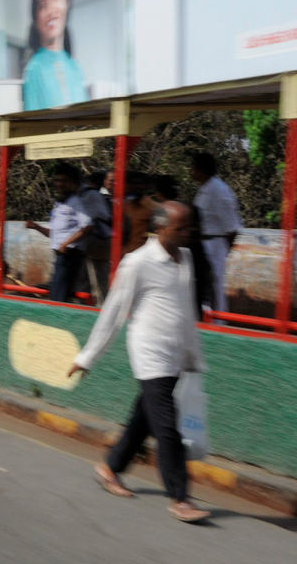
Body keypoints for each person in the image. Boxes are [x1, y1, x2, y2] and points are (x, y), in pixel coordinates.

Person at [68, 202, 211, 524]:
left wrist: (191, 355)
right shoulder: (138, 262)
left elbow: (186, 311)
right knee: (167, 427)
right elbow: (114, 313)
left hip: (174, 355)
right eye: (181, 228)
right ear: (160, 227)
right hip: (149, 352)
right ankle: (180, 498)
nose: (188, 234)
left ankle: (110, 468)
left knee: (143, 418)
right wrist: (87, 357)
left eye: (190, 228)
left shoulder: (184, 257)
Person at [22, 0, 89, 112]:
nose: (51, 10)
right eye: (42, 4)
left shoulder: (75, 67)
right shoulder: (34, 70)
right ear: (36, 18)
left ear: (68, 1)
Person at [25, 162, 92, 302]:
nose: (59, 184)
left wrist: (66, 244)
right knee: (56, 294)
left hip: (70, 256)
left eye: (64, 181)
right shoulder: (60, 204)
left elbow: (88, 226)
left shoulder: (76, 202)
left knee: (59, 297)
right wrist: (37, 227)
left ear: (73, 183)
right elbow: (55, 235)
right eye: (57, 180)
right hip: (61, 256)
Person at [153, 175, 213, 319]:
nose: (185, 233)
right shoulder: (190, 210)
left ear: (158, 193)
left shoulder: (159, 213)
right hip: (197, 265)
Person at [191, 152, 241, 315]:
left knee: (216, 286)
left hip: (216, 244)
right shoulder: (204, 189)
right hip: (202, 244)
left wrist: (224, 249)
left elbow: (232, 227)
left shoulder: (218, 190)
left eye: (194, 168)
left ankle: (220, 322)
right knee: (202, 285)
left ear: (201, 169)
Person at [78, 174, 111, 304]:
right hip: (101, 240)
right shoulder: (96, 195)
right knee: (98, 278)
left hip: (93, 240)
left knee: (90, 278)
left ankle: (96, 307)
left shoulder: (87, 194)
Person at [123, 172, 160, 256]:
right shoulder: (123, 204)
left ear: (145, 186)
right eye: (131, 183)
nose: (135, 187)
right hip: (123, 255)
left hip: (142, 257)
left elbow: (158, 235)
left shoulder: (156, 208)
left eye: (139, 184)